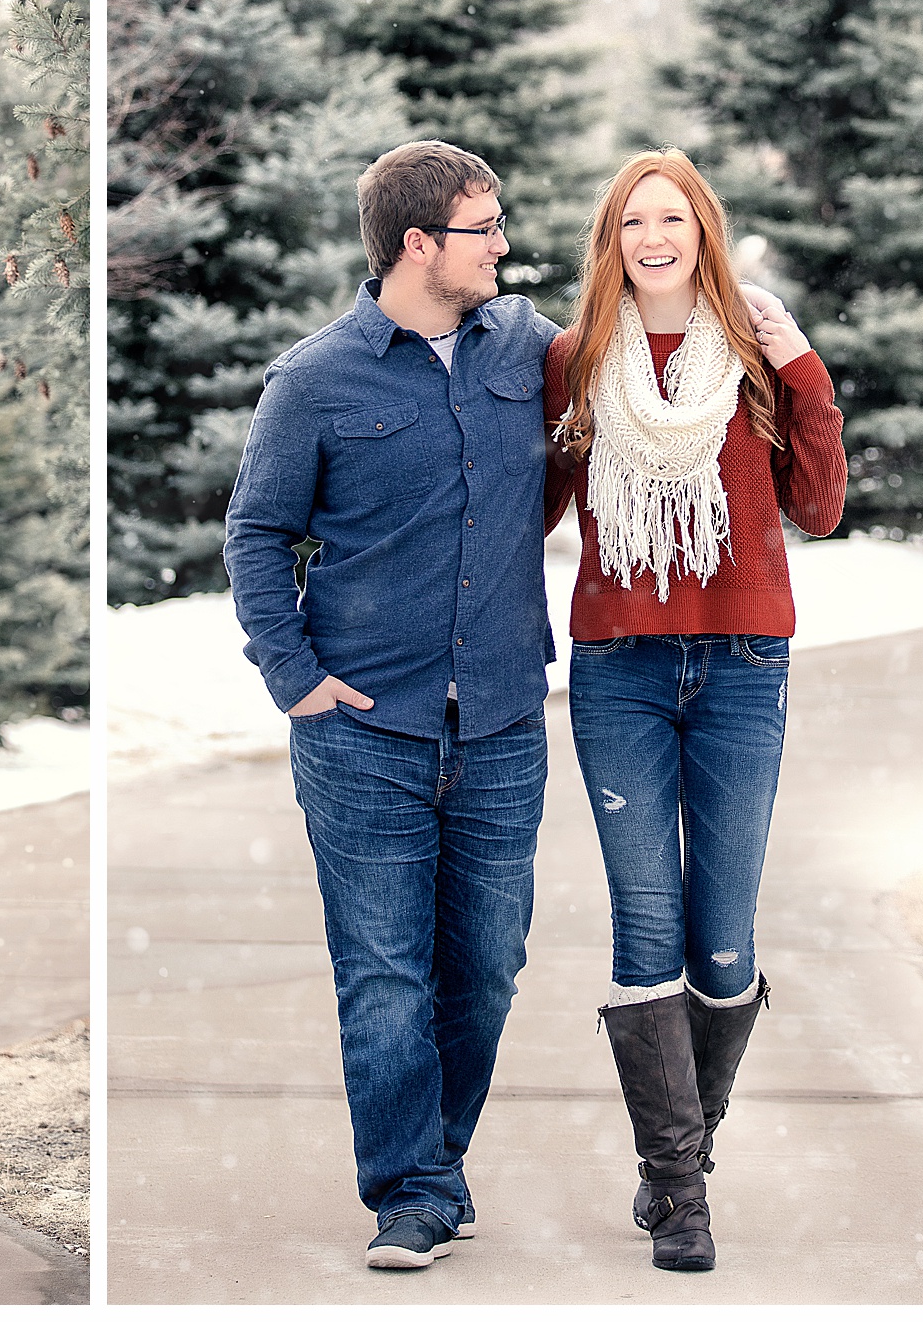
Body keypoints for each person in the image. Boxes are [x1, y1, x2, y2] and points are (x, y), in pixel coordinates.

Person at [223, 140, 560, 1270]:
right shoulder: (313, 380)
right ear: (421, 245)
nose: (503, 244)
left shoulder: (526, 346)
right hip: (364, 726)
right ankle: (409, 1188)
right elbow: (258, 534)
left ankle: (438, 1155)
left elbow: (631, 384)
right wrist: (294, 675)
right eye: (484, 227)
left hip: (506, 716)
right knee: (383, 971)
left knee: (489, 960)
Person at [544, 148, 846, 1272]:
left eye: (673, 217)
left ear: (703, 232)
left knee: (723, 943)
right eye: (633, 221)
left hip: (742, 666)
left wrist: (802, 365)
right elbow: (522, 508)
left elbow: (819, 505)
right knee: (645, 925)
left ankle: (688, 1140)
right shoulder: (576, 364)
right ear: (612, 242)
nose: (654, 237)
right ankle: (679, 1188)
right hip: (619, 669)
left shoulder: (761, 361)